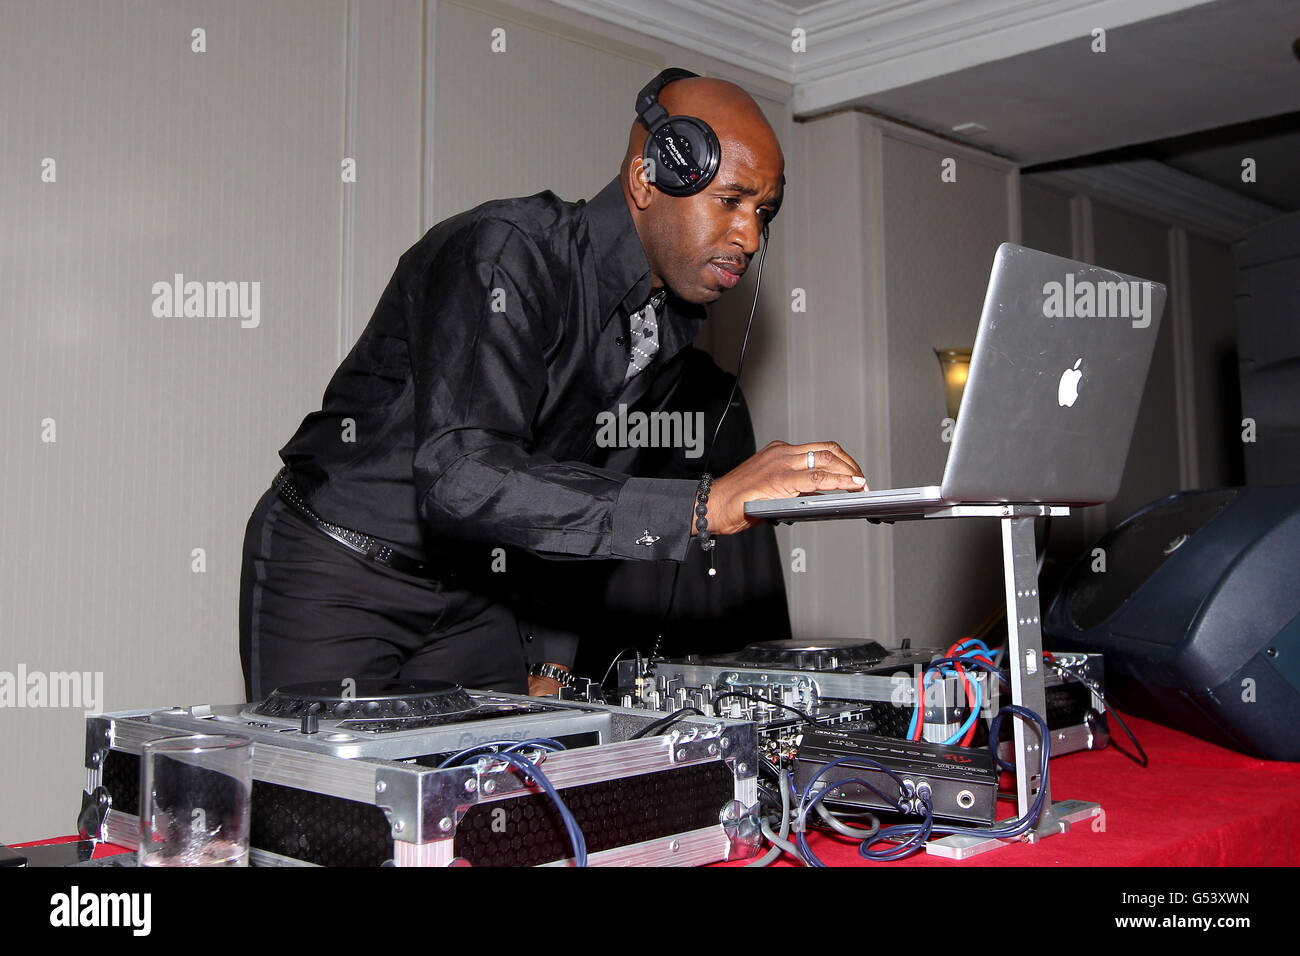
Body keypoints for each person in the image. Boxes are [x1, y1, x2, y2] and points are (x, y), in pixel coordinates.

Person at [238, 69, 868, 701]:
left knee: (491, 791)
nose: (750, 238)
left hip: (480, 592)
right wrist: (702, 505)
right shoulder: (506, 253)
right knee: (332, 797)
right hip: (338, 570)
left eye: (763, 212)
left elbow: (579, 492)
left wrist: (557, 656)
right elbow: (462, 475)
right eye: (730, 201)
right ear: (646, 180)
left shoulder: (671, 326)